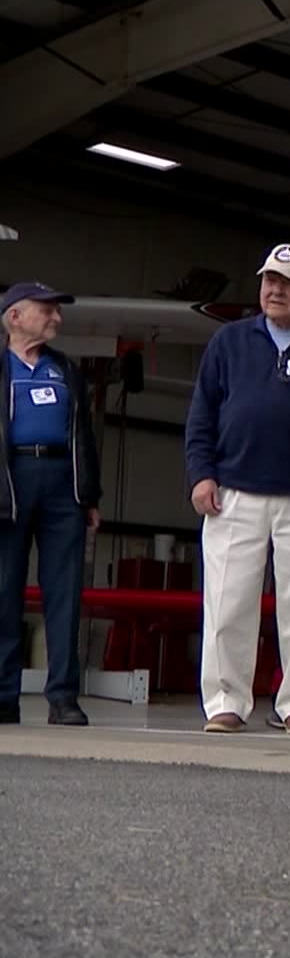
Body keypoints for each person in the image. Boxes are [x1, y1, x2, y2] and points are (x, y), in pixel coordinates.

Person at [186, 244, 290, 734]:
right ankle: (224, 701)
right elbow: (202, 414)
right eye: (268, 280)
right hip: (233, 490)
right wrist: (201, 473)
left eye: (287, 282)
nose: (275, 289)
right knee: (227, 599)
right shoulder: (229, 342)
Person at [0, 282, 100, 727]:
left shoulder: (66, 369)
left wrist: (89, 494)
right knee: (4, 592)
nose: (56, 319)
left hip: (62, 483)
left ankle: (63, 697)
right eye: (47, 311)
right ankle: (4, 696)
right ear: (15, 317)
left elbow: (85, 434)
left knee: (65, 594)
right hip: (11, 481)